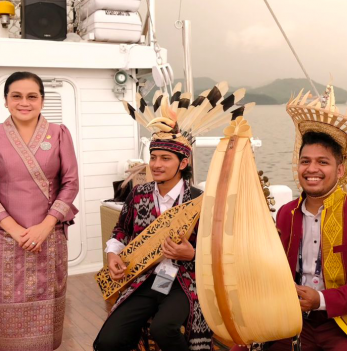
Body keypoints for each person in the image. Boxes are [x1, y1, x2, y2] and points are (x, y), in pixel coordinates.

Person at [233, 86, 347, 351]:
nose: (312, 169)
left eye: (322, 162)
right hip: (291, 318)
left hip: (346, 320)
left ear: (340, 170)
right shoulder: (286, 213)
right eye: (305, 161)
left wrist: (320, 299)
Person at [94, 81, 246, 351]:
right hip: (144, 277)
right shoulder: (139, 194)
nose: (156, 165)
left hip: (185, 280)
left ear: (183, 163)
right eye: (153, 157)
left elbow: (222, 249)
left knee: (165, 330)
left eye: (165, 158)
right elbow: (120, 231)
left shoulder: (200, 201)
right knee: (107, 341)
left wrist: (193, 254)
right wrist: (113, 254)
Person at [0, 71, 79, 350]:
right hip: (6, 239)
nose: (25, 102)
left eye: (32, 96)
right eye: (17, 96)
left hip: (50, 236)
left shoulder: (58, 134)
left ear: (42, 101)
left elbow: (70, 183)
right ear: (6, 101)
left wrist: (45, 226)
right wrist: (14, 229)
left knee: (47, 305)